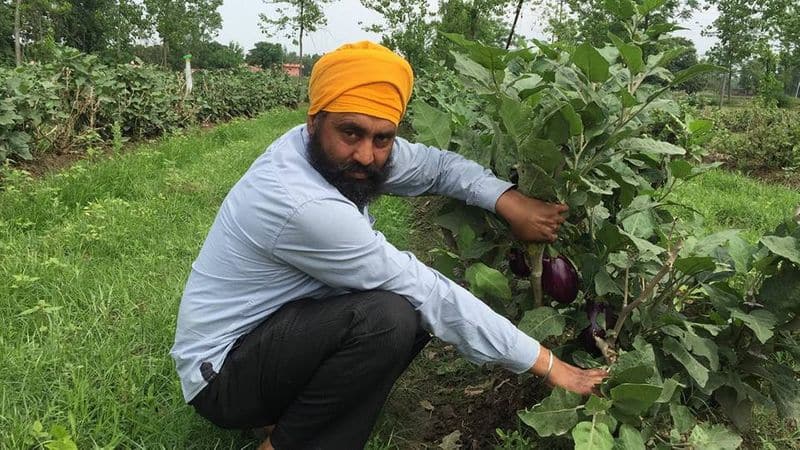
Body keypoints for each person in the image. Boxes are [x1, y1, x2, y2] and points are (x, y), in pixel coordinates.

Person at [170, 41, 607, 450]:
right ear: (313, 122)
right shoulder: (300, 202)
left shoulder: (330, 155)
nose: (366, 155)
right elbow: (428, 290)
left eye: (383, 138)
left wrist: (507, 200)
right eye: (351, 133)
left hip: (269, 336)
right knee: (389, 317)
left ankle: (289, 415)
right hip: (220, 375)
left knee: (403, 314)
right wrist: (550, 364)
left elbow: (437, 167)